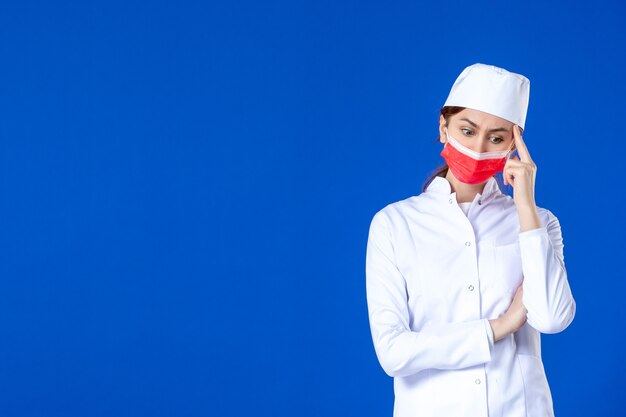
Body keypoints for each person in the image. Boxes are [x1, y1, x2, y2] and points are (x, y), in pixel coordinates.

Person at [365, 63, 576, 417]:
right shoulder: (394, 224)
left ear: (514, 144)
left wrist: (525, 205)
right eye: (467, 130)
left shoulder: (539, 223)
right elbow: (393, 352)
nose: (478, 148)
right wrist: (501, 326)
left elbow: (553, 318)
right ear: (443, 127)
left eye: (496, 138)